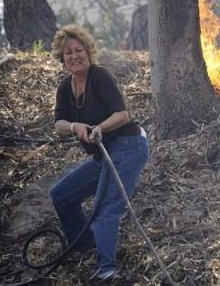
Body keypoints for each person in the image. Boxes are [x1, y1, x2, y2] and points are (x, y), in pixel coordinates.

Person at [49, 25, 148, 281]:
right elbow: (59, 125)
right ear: (62, 58)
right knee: (61, 195)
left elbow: (123, 114)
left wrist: (99, 128)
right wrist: (75, 126)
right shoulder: (65, 87)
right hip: (102, 156)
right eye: (68, 52)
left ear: (88, 52)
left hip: (128, 146)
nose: (74, 56)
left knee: (106, 208)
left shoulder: (99, 76)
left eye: (78, 50)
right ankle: (87, 246)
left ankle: (107, 269)